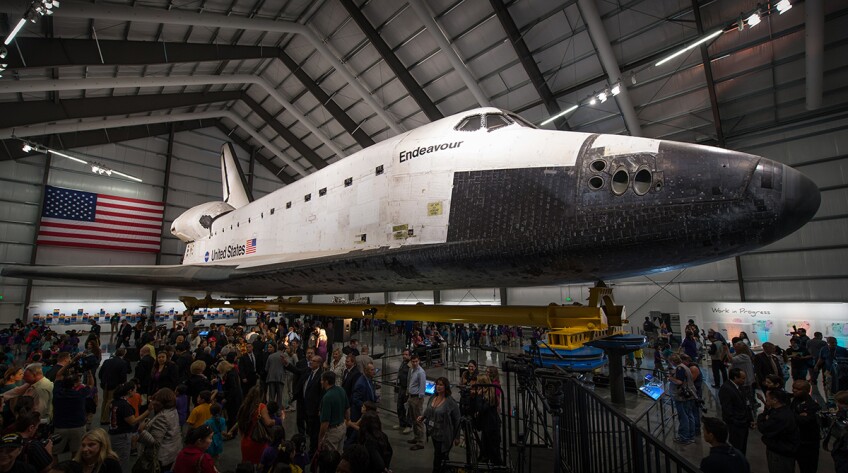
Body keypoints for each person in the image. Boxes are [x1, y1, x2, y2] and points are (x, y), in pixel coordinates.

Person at [52, 358, 94, 459]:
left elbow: (58, 374)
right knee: (76, 452)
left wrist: (70, 363)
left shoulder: (57, 393)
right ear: (75, 385)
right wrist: (89, 372)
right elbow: (91, 385)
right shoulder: (80, 394)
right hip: (77, 426)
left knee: (54, 452)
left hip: (60, 426)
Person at [417, 377, 460, 473]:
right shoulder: (433, 397)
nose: (438, 387)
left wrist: (457, 437)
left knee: (439, 457)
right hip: (434, 433)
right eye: (437, 384)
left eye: (441, 385)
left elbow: (457, 419)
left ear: (446, 387)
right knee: (440, 455)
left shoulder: (450, 402)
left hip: (444, 435)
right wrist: (423, 417)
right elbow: (429, 409)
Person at [137, 388, 182, 471]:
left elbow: (155, 442)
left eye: (155, 400)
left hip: (160, 457)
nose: (152, 402)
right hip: (171, 453)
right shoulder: (173, 411)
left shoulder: (162, 417)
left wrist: (141, 431)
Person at [107, 381, 150, 466]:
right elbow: (133, 421)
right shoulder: (124, 405)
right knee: (122, 460)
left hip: (114, 433)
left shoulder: (115, 401)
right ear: (130, 391)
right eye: (135, 390)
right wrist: (148, 411)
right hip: (122, 435)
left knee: (116, 458)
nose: (136, 392)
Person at [757, 389, 799, 473]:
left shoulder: (780, 416)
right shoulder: (782, 411)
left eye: (767, 397)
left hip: (780, 453)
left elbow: (764, 428)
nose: (766, 399)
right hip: (782, 450)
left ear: (775, 400)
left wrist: (761, 418)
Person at [718, 368, 753, 454]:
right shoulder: (726, 389)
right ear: (735, 378)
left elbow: (746, 404)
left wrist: (750, 419)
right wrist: (735, 421)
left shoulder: (740, 387)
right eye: (742, 378)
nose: (744, 380)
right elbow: (727, 409)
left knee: (743, 446)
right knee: (737, 447)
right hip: (736, 424)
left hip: (744, 422)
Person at [236, 386, 275, 464]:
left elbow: (239, 422)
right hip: (257, 441)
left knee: (247, 465)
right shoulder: (261, 407)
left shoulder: (244, 406)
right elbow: (267, 422)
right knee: (259, 464)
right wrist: (274, 421)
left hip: (245, 441)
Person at [790, 380, 821, 473]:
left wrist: (793, 416)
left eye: (798, 389)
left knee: (808, 468)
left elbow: (806, 420)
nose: (794, 390)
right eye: (793, 388)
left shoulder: (813, 405)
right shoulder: (794, 400)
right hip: (795, 440)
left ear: (807, 391)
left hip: (808, 443)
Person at [470, 374, 501, 465]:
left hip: (492, 427)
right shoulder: (484, 394)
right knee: (485, 451)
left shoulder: (490, 395)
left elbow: (481, 408)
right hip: (486, 427)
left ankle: (497, 468)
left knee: (494, 453)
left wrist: (478, 396)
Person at [667, 354, 697, 445]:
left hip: (682, 396)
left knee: (683, 416)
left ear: (672, 361)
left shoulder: (680, 368)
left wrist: (670, 378)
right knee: (689, 415)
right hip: (689, 395)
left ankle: (684, 437)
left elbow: (680, 382)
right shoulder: (684, 367)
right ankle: (691, 435)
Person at [98, 349, 131, 425]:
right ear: (124, 354)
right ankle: (105, 419)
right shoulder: (123, 363)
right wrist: (122, 384)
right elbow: (123, 376)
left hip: (105, 384)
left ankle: (102, 417)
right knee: (110, 400)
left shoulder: (107, 361)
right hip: (114, 384)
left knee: (105, 400)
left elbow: (100, 373)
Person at [317, 371, 348, 453]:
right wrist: (347, 422)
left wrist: (320, 439)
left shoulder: (327, 397)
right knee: (339, 453)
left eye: (322, 380)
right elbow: (347, 409)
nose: (321, 382)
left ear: (326, 382)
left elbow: (325, 423)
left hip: (333, 432)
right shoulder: (341, 390)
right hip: (342, 427)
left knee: (329, 457)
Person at [816, 337, 848, 402]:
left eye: (835, 342)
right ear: (828, 343)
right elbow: (821, 359)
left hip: (841, 372)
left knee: (841, 386)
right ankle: (829, 400)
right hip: (828, 371)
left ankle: (842, 399)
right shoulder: (824, 349)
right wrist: (816, 366)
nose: (834, 344)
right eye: (832, 343)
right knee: (828, 386)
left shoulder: (843, 350)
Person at [407, 354, 427, 448]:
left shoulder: (421, 372)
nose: (415, 363)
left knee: (418, 420)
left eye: (416, 361)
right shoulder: (412, 370)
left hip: (417, 398)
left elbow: (422, 386)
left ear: (419, 361)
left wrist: (420, 400)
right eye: (413, 361)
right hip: (411, 397)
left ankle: (421, 441)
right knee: (413, 419)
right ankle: (416, 437)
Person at [218, 361, 243, 431]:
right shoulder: (233, 371)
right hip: (237, 397)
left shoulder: (230, 375)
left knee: (232, 416)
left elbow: (233, 388)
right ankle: (232, 431)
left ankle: (231, 431)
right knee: (234, 416)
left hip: (233, 399)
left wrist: (226, 398)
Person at [394, 349, 412, 433]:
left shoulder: (411, 364)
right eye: (403, 354)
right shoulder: (403, 363)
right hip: (401, 388)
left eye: (406, 354)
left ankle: (409, 425)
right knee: (400, 406)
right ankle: (402, 423)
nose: (404, 356)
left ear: (410, 355)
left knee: (408, 408)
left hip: (407, 389)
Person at [265, 343, 287, 410]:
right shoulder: (284, 356)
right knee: (279, 397)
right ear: (283, 349)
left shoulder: (270, 356)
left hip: (271, 378)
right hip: (280, 378)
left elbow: (266, 368)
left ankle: (271, 410)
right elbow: (286, 366)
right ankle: (278, 411)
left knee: (271, 397)